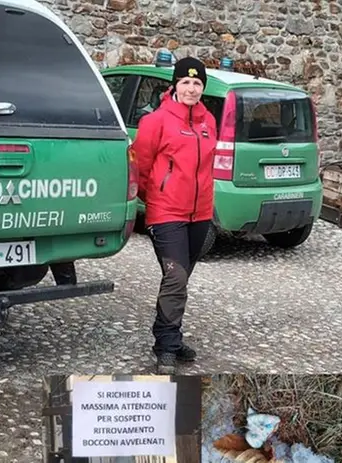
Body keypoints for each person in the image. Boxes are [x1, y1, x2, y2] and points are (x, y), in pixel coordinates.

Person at [131, 56, 218, 374]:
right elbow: (140, 167)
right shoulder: (156, 121)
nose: (192, 88)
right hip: (166, 212)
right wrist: (153, 198)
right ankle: (166, 347)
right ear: (175, 85)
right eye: (186, 82)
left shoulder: (209, 122)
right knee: (176, 276)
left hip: (200, 214)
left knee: (178, 282)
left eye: (197, 83)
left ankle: (170, 334)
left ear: (202, 88)